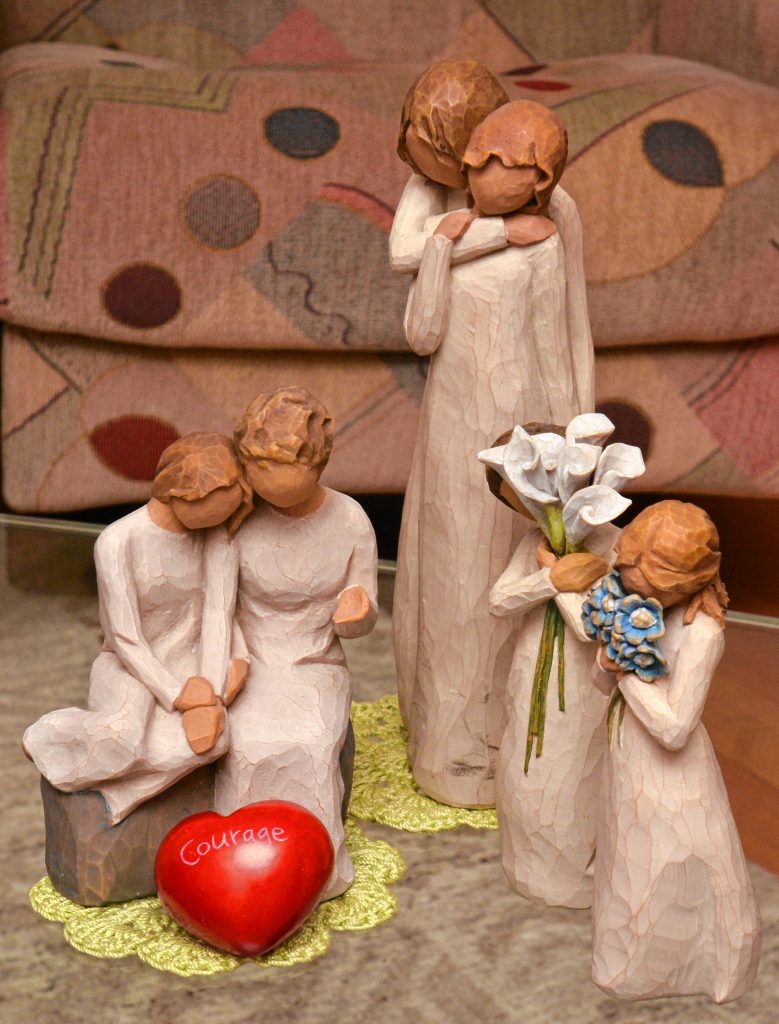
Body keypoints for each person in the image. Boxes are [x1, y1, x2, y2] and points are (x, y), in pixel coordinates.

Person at [395, 97, 594, 806]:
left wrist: (572, 434)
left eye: (505, 168)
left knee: (501, 567)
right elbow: (420, 334)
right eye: (477, 163)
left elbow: (553, 341)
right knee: (449, 569)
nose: (483, 177)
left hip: (516, 432)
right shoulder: (455, 231)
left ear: (537, 181)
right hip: (450, 425)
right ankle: (444, 743)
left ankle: (496, 743)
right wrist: (455, 242)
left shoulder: (544, 247)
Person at [23, 433, 253, 824]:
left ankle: (118, 801)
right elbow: (124, 636)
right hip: (130, 666)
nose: (220, 523)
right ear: (181, 492)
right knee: (122, 743)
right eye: (213, 511)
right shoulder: (118, 541)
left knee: (211, 745)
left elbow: (218, 613)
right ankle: (52, 737)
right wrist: (178, 695)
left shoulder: (218, 539)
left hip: (190, 661)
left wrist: (209, 693)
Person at [587, 500, 761, 1002]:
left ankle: (691, 966)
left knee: (670, 862)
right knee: (627, 858)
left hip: (672, 777)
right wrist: (607, 661)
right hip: (627, 755)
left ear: (681, 581)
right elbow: (604, 686)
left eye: (646, 579)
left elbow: (675, 727)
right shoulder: (639, 610)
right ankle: (629, 966)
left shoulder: (701, 633)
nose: (630, 586)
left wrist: (625, 672)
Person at [214, 386, 378, 900]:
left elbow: (362, 600)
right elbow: (219, 604)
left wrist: (356, 610)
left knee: (308, 743)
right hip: (250, 656)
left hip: (313, 658)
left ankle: (311, 868)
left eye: (281, 467)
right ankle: (238, 870)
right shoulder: (237, 516)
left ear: (316, 463)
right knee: (243, 745)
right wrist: (234, 658)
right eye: (257, 468)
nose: (266, 481)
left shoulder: (349, 519)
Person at [484, 426, 614, 909]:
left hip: (584, 683)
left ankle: (575, 877)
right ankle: (526, 864)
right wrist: (552, 577)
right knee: (525, 770)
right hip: (530, 667)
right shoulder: (538, 543)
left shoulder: (612, 540)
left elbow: (591, 630)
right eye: (515, 499)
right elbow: (500, 601)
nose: (530, 508)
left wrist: (560, 582)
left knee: (575, 772)